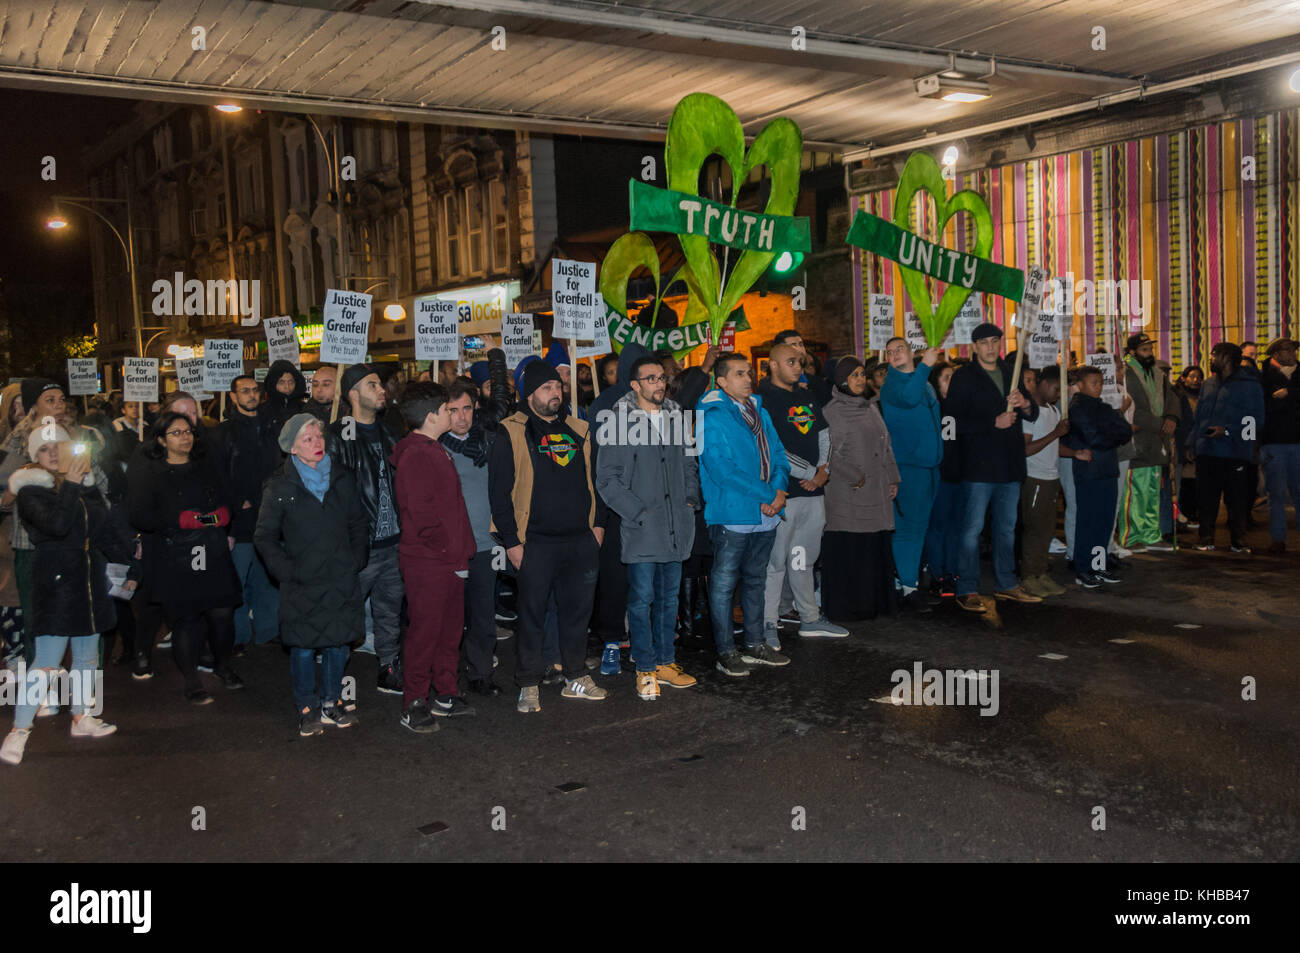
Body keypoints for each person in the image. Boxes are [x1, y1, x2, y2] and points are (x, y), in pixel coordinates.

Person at [1, 427, 135, 765]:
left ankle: (81, 716)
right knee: (46, 661)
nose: (53, 453)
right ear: (34, 455)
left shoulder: (84, 484)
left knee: (87, 655)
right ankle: (19, 731)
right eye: (44, 449)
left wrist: (126, 564)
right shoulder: (30, 489)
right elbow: (57, 525)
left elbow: (101, 527)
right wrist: (75, 485)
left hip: (88, 577)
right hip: (55, 580)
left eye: (58, 446)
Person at [489, 359, 607, 713]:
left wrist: (597, 527)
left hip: (579, 540)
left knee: (577, 614)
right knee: (532, 615)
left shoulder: (580, 429)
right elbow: (499, 492)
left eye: (558, 386)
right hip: (535, 542)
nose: (555, 393)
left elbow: (596, 482)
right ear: (530, 395)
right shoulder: (510, 430)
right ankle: (528, 682)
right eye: (546, 388)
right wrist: (511, 541)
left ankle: (575, 675)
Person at [595, 355, 701, 701]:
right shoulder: (618, 422)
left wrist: (690, 499)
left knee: (669, 598)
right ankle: (645, 666)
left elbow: (689, 461)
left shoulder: (676, 417)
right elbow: (607, 480)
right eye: (651, 379)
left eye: (662, 377)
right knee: (641, 600)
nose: (659, 383)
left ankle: (666, 662)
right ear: (635, 385)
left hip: (675, 526)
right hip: (643, 526)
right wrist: (636, 512)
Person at [255, 414, 368, 736]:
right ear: (292, 449)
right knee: (303, 646)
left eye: (319, 436)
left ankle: (332, 701)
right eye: (307, 439)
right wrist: (286, 571)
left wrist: (357, 558)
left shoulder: (343, 478)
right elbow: (265, 536)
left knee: (337, 643)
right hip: (302, 580)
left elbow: (358, 523)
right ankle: (307, 706)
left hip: (339, 576)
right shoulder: (280, 486)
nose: (317, 443)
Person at [128, 411, 244, 703]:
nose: (185, 437)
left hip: (210, 548)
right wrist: (177, 520)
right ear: (161, 440)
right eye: (176, 433)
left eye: (188, 431)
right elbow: (139, 514)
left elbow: (227, 497)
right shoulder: (153, 474)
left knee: (222, 613)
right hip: (176, 552)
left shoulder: (207, 467)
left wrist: (223, 514)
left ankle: (223, 665)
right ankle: (191, 679)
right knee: (186, 619)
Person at [697, 352, 791, 677]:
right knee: (724, 585)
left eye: (749, 373)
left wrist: (777, 491)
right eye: (739, 374)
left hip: (765, 511)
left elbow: (778, 453)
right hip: (733, 513)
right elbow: (722, 471)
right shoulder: (711, 416)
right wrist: (769, 494)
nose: (748, 379)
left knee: (755, 579)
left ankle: (755, 643)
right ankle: (725, 651)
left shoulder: (758, 412)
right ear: (721, 381)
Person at [391, 382, 478, 729]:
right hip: (429, 561)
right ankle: (414, 700)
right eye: (446, 408)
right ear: (431, 417)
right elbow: (421, 514)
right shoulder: (417, 454)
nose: (452, 413)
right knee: (425, 633)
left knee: (449, 631)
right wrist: (448, 549)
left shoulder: (433, 448)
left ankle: (445, 693)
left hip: (448, 559)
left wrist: (461, 550)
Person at [947, 322, 1041, 612]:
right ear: (974, 346)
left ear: (1001, 343)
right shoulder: (964, 377)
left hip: (1010, 465)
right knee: (972, 530)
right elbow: (950, 424)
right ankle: (967, 588)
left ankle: (1006, 584)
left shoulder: (1011, 373)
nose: (990, 347)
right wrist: (992, 423)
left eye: (994, 341)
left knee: (1007, 529)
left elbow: (1033, 413)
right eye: (984, 342)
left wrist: (1025, 402)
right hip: (978, 466)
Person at [757, 343, 845, 642]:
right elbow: (772, 447)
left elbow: (824, 434)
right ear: (772, 365)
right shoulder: (763, 398)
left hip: (812, 493)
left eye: (801, 362)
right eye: (791, 361)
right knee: (776, 563)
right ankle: (768, 624)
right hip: (784, 493)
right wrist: (811, 473)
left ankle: (809, 617)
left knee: (802, 558)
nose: (798, 366)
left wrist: (824, 471)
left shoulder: (805, 395)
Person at [327, 363, 404, 694]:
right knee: (346, 613)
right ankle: (334, 683)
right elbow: (329, 494)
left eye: (380, 384)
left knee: (390, 611)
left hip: (393, 543)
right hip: (359, 546)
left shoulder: (390, 432)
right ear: (353, 394)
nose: (382, 389)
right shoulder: (337, 436)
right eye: (373, 385)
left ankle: (388, 667)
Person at [441, 350, 511, 697]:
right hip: (449, 548)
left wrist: (496, 362)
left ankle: (481, 674)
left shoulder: (488, 439)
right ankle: (448, 680)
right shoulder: (435, 447)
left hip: (485, 544)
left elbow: (502, 402)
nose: (461, 417)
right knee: (449, 620)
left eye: (467, 408)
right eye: (453, 410)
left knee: (484, 617)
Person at [821, 357, 900, 621]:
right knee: (853, 551)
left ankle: (874, 604)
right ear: (842, 381)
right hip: (849, 493)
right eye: (853, 375)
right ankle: (849, 608)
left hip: (875, 491)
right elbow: (827, 454)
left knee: (872, 550)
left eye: (861, 374)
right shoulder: (833, 412)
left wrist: (892, 478)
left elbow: (885, 445)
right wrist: (853, 475)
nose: (859, 380)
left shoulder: (870, 406)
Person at [211, 375, 283, 654]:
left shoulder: (270, 427)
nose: (252, 395)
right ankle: (238, 635)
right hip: (239, 521)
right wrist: (234, 501)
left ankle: (267, 630)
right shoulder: (222, 433)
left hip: (269, 516)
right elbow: (216, 475)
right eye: (245, 391)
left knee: (267, 578)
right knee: (237, 580)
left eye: (255, 390)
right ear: (232, 396)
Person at [879, 339, 943, 612]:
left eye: (899, 349)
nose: (894, 354)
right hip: (909, 467)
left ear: (911, 352)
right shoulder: (892, 385)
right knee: (907, 531)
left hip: (929, 467)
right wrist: (926, 367)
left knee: (918, 529)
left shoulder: (924, 383)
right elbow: (909, 397)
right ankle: (906, 588)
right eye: (890, 352)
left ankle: (909, 584)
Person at [1190, 342, 1265, 552]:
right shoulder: (1208, 384)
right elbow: (1199, 418)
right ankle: (1205, 538)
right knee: (1206, 498)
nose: (1211, 359)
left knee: (1236, 500)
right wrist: (1192, 442)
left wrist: (1228, 430)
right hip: (1207, 450)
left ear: (1228, 357)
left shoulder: (1250, 385)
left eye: (1215, 355)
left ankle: (1238, 540)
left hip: (1235, 453)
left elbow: (1255, 421)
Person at [1062, 366, 1133, 587]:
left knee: (1104, 522)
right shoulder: (1078, 407)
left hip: (1108, 469)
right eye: (1094, 382)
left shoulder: (1102, 406)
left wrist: (1110, 432)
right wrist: (1111, 433)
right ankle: (1084, 568)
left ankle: (1099, 566)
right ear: (1080, 385)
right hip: (1090, 472)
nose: (1099, 386)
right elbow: (1094, 438)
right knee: (1088, 521)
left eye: (1101, 382)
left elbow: (1125, 431)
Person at [1118, 333, 1180, 552]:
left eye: (1150, 349)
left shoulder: (1157, 373)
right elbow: (1134, 410)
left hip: (1158, 441)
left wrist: (1171, 418)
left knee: (1153, 491)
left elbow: (1173, 397)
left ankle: (1151, 535)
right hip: (1139, 440)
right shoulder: (1126, 374)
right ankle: (1132, 537)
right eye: (1144, 350)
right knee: (1135, 491)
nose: (1149, 353)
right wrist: (1161, 424)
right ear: (1132, 352)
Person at [1019, 368, 1071, 597]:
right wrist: (1055, 434)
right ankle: (1029, 576)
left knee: (1046, 530)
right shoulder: (1030, 412)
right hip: (1035, 477)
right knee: (1034, 530)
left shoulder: (1052, 410)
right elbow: (1026, 449)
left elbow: (1052, 446)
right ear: (1041, 384)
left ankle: (1041, 573)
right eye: (1055, 388)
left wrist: (1075, 453)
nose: (1058, 394)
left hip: (1051, 477)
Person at [924, 362, 962, 599]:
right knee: (938, 527)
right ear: (935, 383)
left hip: (960, 476)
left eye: (953, 377)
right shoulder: (933, 408)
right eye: (946, 377)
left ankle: (953, 572)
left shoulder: (961, 407)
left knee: (955, 527)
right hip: (940, 475)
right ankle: (938, 575)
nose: (952, 381)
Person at [1259, 338, 1300, 553]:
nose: (1293, 352)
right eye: (1287, 349)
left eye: (1293, 349)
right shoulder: (1263, 376)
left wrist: (1289, 394)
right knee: (1275, 493)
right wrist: (1253, 441)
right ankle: (1278, 538)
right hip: (1273, 442)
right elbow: (1256, 408)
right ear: (1275, 353)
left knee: (1297, 490)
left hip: (1296, 441)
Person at [1172, 366, 1204, 530]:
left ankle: (1193, 515)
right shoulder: (1179, 396)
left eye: (1199, 377)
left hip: (1200, 445)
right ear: (1183, 378)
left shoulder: (1203, 397)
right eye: (1192, 376)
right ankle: (1185, 515)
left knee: (1197, 482)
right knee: (1184, 483)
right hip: (1183, 445)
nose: (1195, 380)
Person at [264, 359, 307, 434]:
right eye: (281, 382)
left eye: (290, 382)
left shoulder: (305, 409)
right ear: (273, 384)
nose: (287, 386)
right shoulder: (263, 410)